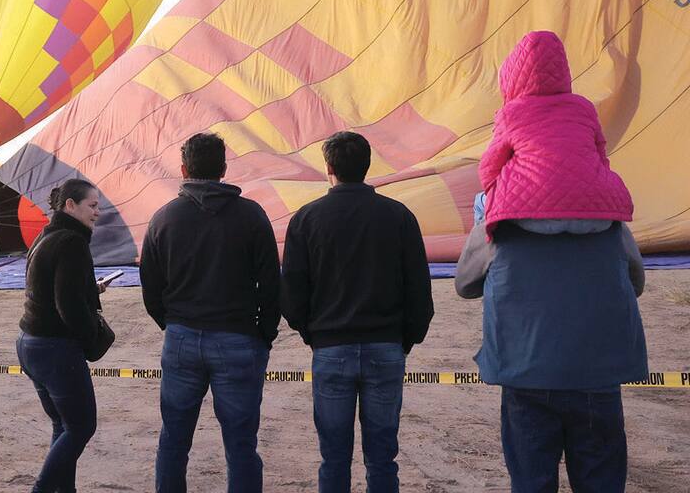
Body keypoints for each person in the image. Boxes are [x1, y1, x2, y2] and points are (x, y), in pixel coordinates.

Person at [456, 30, 647, 492]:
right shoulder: (606, 211)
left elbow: (465, 283)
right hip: (598, 374)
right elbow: (636, 281)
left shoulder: (496, 209)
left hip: (525, 370)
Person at [280, 130, 434, 493]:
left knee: (333, 458)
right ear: (367, 167)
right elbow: (418, 289)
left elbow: (292, 291)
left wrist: (311, 334)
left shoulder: (306, 219)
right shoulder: (399, 216)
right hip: (385, 347)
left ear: (328, 168)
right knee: (382, 458)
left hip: (331, 349)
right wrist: (405, 340)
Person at [139, 132, 280, 493]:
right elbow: (271, 283)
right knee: (241, 444)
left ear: (184, 169)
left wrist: (172, 324)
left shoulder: (163, 219)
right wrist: (264, 333)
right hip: (239, 338)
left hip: (182, 337)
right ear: (224, 169)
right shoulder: (251, 216)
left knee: (174, 440)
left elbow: (151, 289)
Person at [17, 179, 115, 493]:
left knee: (64, 425)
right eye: (93, 205)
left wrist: (91, 289)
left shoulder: (46, 236)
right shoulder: (73, 242)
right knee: (82, 426)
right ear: (70, 206)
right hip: (55, 349)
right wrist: (93, 339)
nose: (98, 213)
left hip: (30, 343)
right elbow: (68, 306)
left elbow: (48, 287)